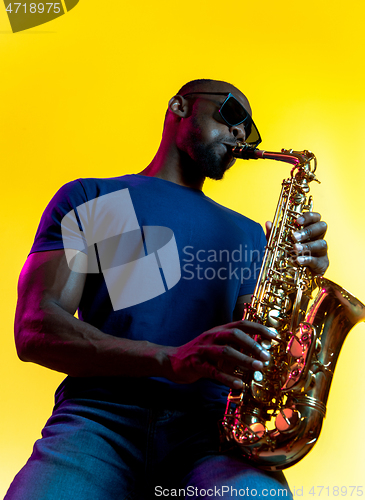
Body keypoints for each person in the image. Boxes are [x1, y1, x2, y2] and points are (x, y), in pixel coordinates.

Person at [6, 79, 328, 500]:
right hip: (99, 418)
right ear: (179, 106)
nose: (239, 132)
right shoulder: (95, 197)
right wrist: (169, 358)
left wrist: (301, 284)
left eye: (248, 130)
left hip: (214, 434)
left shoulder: (250, 234)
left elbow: (259, 354)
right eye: (232, 114)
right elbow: (36, 329)